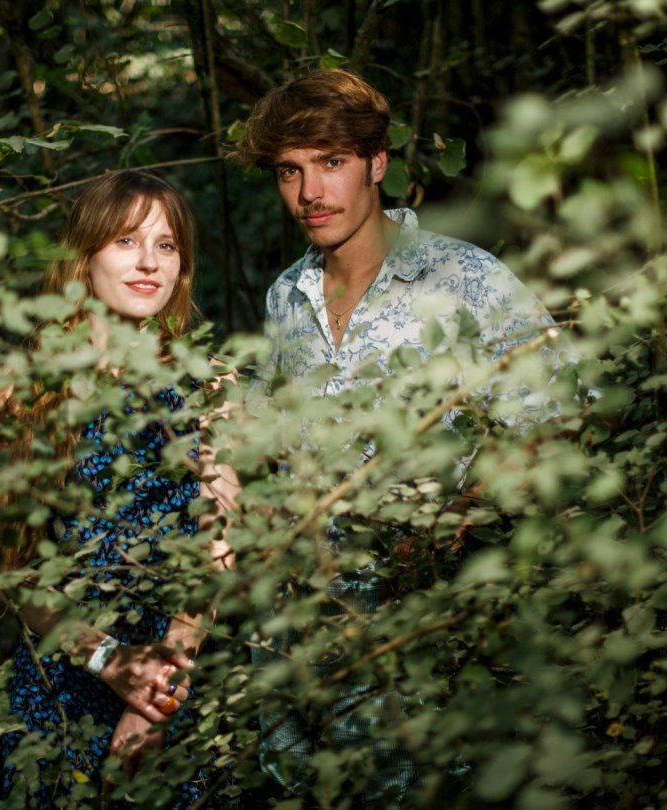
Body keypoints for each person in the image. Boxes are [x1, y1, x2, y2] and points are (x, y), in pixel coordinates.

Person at [232, 70, 561, 804]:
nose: (310, 192)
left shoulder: (465, 276)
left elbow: (560, 417)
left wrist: (459, 519)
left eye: (331, 162)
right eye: (291, 170)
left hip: (430, 647)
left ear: (379, 162)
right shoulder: (287, 294)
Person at [0, 170, 239, 808]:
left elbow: (220, 553)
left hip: (179, 679)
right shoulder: (24, 390)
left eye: (167, 245)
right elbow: (8, 564)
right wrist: (104, 660)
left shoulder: (210, 386)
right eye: (127, 241)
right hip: (60, 688)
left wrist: (154, 702)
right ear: (85, 255)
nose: (150, 262)